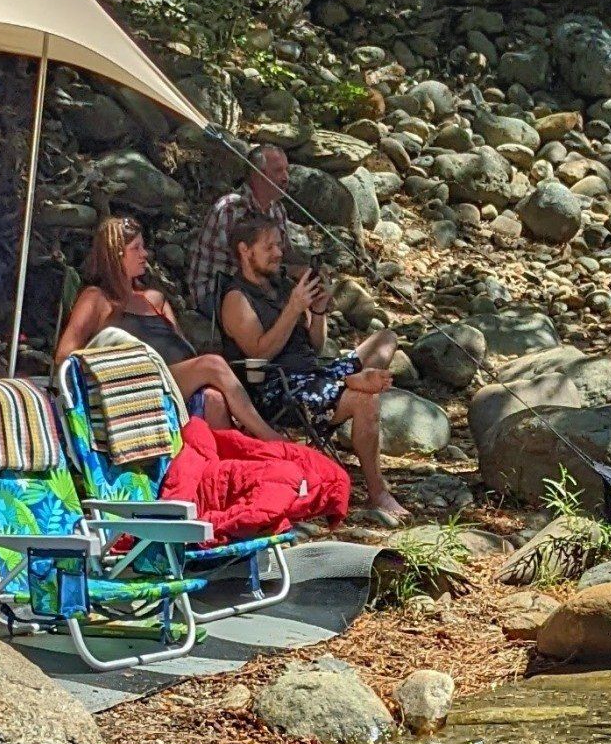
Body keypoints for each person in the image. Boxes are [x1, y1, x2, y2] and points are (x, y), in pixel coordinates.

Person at [216, 213, 406, 525]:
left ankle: (350, 382)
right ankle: (378, 492)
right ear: (245, 250)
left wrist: (317, 311)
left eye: (279, 245)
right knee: (365, 400)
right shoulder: (236, 298)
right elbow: (259, 353)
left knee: (385, 339)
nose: (279, 253)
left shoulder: (280, 287)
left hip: (314, 376)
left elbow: (315, 346)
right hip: (278, 388)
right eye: (269, 247)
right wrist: (293, 308)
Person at [54, 216, 277, 439]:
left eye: (143, 247)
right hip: (137, 385)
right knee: (213, 364)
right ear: (115, 254)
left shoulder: (155, 299)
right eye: (136, 248)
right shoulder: (97, 298)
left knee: (214, 399)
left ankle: (235, 455)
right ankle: (272, 440)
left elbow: (183, 347)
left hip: (174, 384)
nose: (145, 254)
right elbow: (65, 355)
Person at [189, 145, 292, 325]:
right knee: (275, 318)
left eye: (287, 170)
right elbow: (249, 268)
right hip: (216, 291)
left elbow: (284, 256)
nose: (286, 177)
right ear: (258, 175)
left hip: (256, 288)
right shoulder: (231, 208)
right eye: (278, 171)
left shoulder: (278, 210)